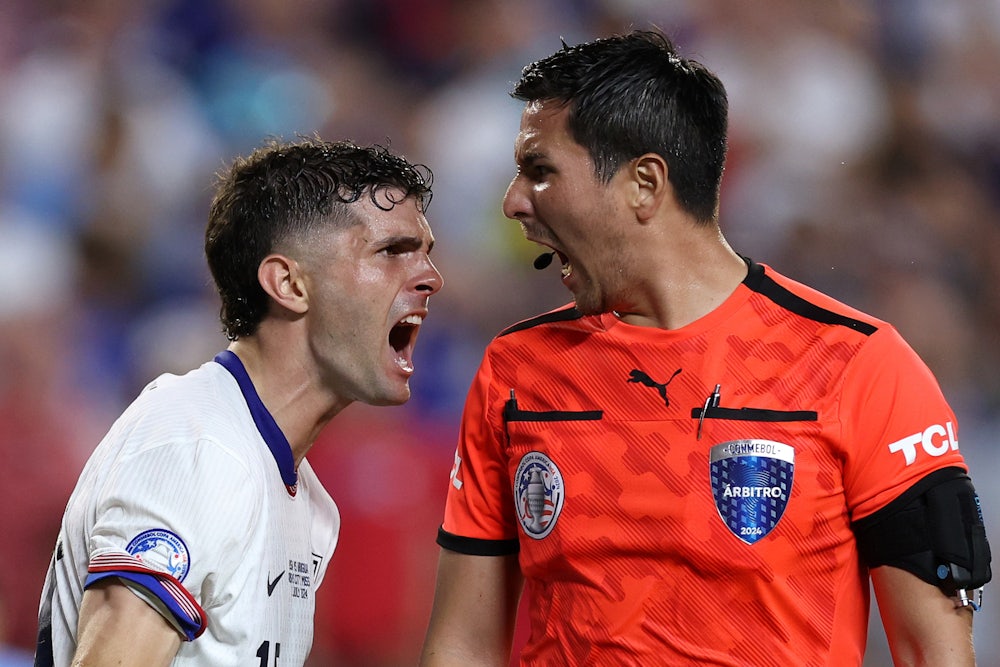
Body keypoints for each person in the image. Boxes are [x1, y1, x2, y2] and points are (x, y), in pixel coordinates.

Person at [420, 29, 991, 666]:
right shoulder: (518, 369)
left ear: (643, 183)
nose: (513, 201)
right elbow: (464, 644)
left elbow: (933, 654)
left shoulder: (858, 366)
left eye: (541, 170)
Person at [34, 136, 443, 666]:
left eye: (426, 254)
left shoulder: (304, 497)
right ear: (289, 283)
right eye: (392, 252)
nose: (431, 278)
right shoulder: (199, 446)